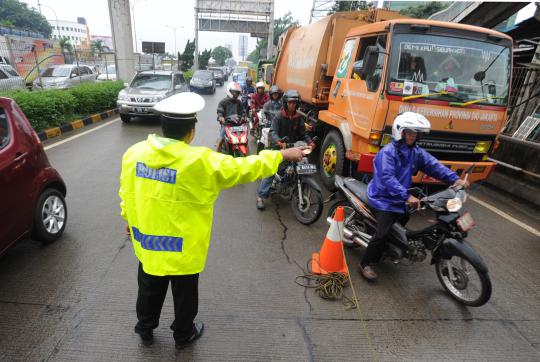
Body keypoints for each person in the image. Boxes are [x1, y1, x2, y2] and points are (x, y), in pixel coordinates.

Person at [119, 92, 306, 348]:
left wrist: (129, 220)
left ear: (163, 126)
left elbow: (126, 193)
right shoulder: (200, 162)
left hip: (148, 245)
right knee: (185, 295)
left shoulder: (133, 154)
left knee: (149, 287)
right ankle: (183, 335)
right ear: (190, 132)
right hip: (183, 250)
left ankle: (145, 328)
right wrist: (282, 156)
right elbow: (245, 168)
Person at [358, 112, 469, 281]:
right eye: (409, 132)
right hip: (384, 198)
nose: (412, 136)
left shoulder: (415, 152)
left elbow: (434, 166)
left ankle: (389, 248)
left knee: (399, 227)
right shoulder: (387, 153)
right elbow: (387, 179)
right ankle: (365, 264)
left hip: (402, 197)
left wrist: (455, 179)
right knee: (382, 233)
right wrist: (406, 196)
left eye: (415, 133)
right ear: (400, 132)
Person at [256, 89, 315, 210]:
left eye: (294, 102)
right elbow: (273, 131)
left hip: (293, 147)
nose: (292, 105)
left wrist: (310, 142)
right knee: (271, 171)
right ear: (285, 103)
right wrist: (279, 141)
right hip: (278, 147)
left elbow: (303, 133)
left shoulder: (298, 118)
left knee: (302, 163)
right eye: (290, 102)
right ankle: (261, 196)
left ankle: (295, 187)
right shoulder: (279, 116)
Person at [216, 82, 245, 152]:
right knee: (220, 140)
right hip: (226, 125)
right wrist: (221, 117)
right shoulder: (223, 102)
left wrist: (244, 117)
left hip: (238, 125)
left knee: (244, 139)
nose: (236, 94)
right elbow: (220, 111)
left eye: (237, 93)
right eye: (234, 92)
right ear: (229, 91)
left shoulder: (239, 102)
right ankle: (217, 155)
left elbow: (243, 112)